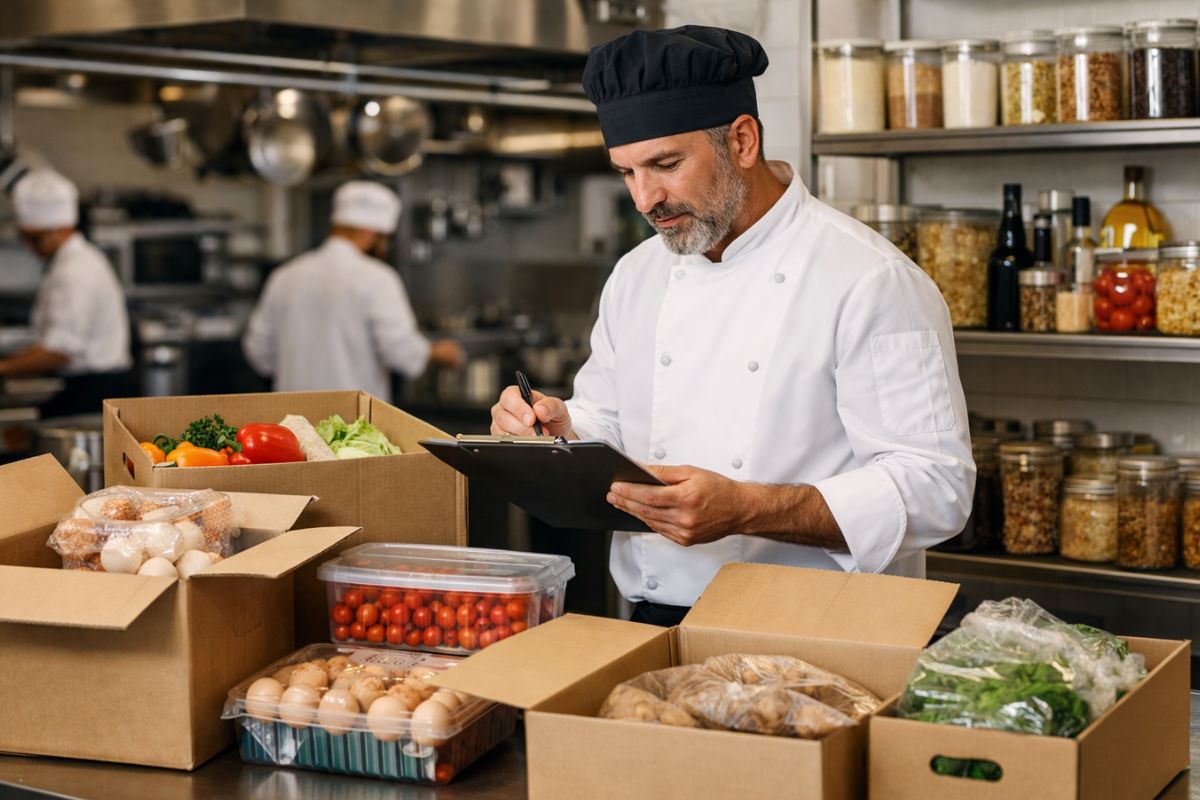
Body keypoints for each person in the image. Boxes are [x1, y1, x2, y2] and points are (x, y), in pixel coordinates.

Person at [489, 26, 975, 627]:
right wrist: (561, 430)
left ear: (742, 141)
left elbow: (937, 488)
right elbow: (610, 419)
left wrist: (747, 509)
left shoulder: (869, 278)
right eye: (627, 173)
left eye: (665, 164)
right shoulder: (637, 273)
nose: (644, 199)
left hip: (820, 629)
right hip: (654, 617)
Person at [243, 181, 463, 402]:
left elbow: (258, 351)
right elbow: (400, 350)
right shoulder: (377, 278)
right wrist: (436, 352)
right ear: (370, 232)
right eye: (384, 238)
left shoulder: (285, 276)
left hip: (291, 414)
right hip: (352, 418)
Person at [0, 168, 132, 417]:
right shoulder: (79, 259)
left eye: (34, 239)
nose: (29, 247)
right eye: (24, 238)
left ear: (58, 230)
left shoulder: (74, 271)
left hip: (93, 392)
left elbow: (60, 350)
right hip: (91, 386)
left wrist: (4, 367)